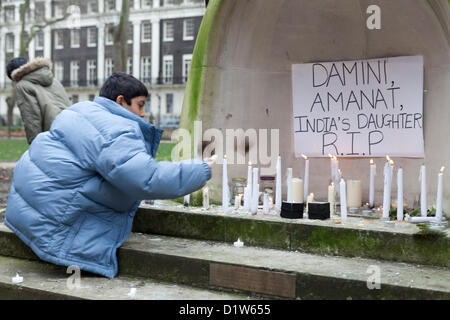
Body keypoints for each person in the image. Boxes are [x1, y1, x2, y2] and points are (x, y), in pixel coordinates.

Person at [5, 72, 212, 278]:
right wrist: (202, 169)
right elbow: (147, 179)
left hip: (27, 213)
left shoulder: (80, 110)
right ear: (120, 101)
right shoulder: (115, 129)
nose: (142, 113)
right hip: (55, 230)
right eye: (140, 105)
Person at [6, 57, 70, 144]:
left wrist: (35, 145)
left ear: (14, 76)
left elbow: (32, 119)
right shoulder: (53, 79)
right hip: (71, 126)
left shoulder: (22, 86)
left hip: (52, 135)